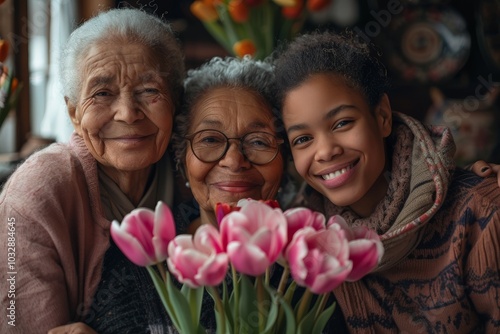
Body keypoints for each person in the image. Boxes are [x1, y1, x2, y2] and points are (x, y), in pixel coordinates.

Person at [273, 30, 500, 333]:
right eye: (303, 139)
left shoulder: (479, 213)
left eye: (342, 123)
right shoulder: (306, 246)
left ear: (381, 116)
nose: (326, 151)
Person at [0, 8, 185, 334]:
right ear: (73, 112)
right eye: (102, 93)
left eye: (149, 90)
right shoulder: (35, 195)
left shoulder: (192, 171)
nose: (128, 113)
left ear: (175, 101)